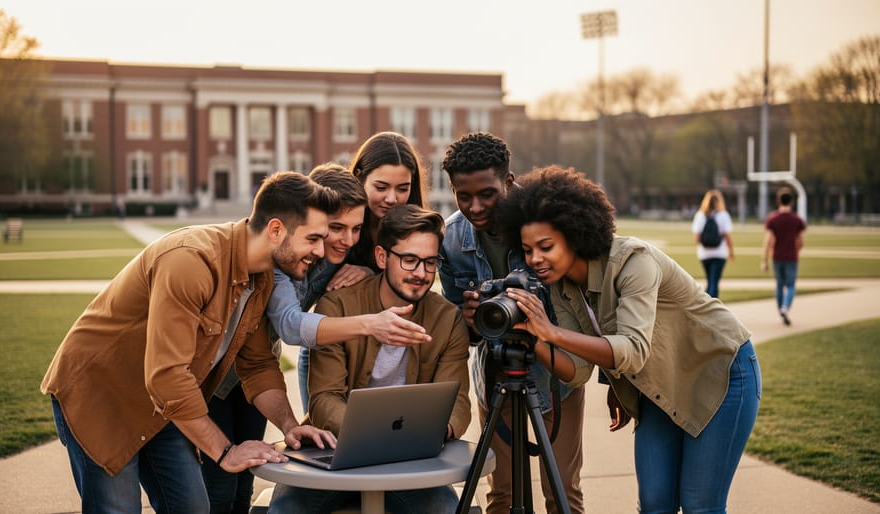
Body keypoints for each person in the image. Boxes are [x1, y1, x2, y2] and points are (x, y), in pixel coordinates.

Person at [40, 172, 339, 513]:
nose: (321, 251)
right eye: (313, 238)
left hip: (166, 405)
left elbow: (257, 364)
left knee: (194, 507)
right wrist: (226, 451)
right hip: (101, 396)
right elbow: (167, 376)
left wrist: (290, 427)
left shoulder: (262, 276)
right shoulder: (191, 260)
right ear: (275, 230)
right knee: (118, 509)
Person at [497, 166, 761, 514]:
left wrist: (553, 332)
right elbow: (576, 372)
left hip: (721, 373)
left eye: (545, 246)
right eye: (528, 250)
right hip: (660, 386)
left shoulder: (634, 261)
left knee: (701, 505)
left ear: (574, 236)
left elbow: (633, 351)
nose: (535, 260)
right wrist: (536, 339)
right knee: (654, 504)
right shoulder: (560, 287)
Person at [202, 165, 429, 513]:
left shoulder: (335, 256)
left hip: (256, 374)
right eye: (335, 228)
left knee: (245, 478)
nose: (347, 240)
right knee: (218, 484)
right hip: (218, 373)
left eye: (355, 229)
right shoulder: (281, 258)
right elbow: (292, 325)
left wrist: (368, 271)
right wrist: (369, 324)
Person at [268, 205, 471, 514]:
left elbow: (457, 403)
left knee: (444, 508)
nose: (421, 273)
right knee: (287, 509)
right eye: (409, 260)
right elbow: (324, 400)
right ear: (381, 257)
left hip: (412, 458)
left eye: (430, 262)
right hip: (334, 451)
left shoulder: (448, 319)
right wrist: (378, 435)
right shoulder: (337, 306)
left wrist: (435, 430)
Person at [438, 132, 589, 513]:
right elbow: (461, 329)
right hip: (497, 371)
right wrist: (469, 320)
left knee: (562, 492)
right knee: (500, 493)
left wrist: (615, 382)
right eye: (463, 195)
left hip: (557, 372)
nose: (475, 206)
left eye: (486, 193)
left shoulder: (549, 220)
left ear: (508, 181)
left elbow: (592, 304)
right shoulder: (452, 238)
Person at [346, 131, 427, 272]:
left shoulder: (421, 233)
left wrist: (368, 277)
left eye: (402, 189)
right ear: (359, 178)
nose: (391, 199)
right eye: (381, 187)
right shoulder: (340, 225)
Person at [761, 186, 806, 326]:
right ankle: (785, 307)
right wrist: (795, 252)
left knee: (780, 285)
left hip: (777, 256)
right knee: (791, 285)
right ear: (791, 202)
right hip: (791, 257)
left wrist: (764, 259)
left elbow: (768, 240)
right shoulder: (796, 220)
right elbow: (800, 241)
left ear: (778, 201)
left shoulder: (773, 219)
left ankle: (781, 309)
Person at [691, 189, 735, 298]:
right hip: (719, 253)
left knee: (710, 281)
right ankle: (711, 307)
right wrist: (731, 251)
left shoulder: (700, 215)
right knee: (714, 282)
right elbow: (727, 236)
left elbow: (696, 238)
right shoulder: (723, 215)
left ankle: (706, 304)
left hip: (704, 254)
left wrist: (706, 242)